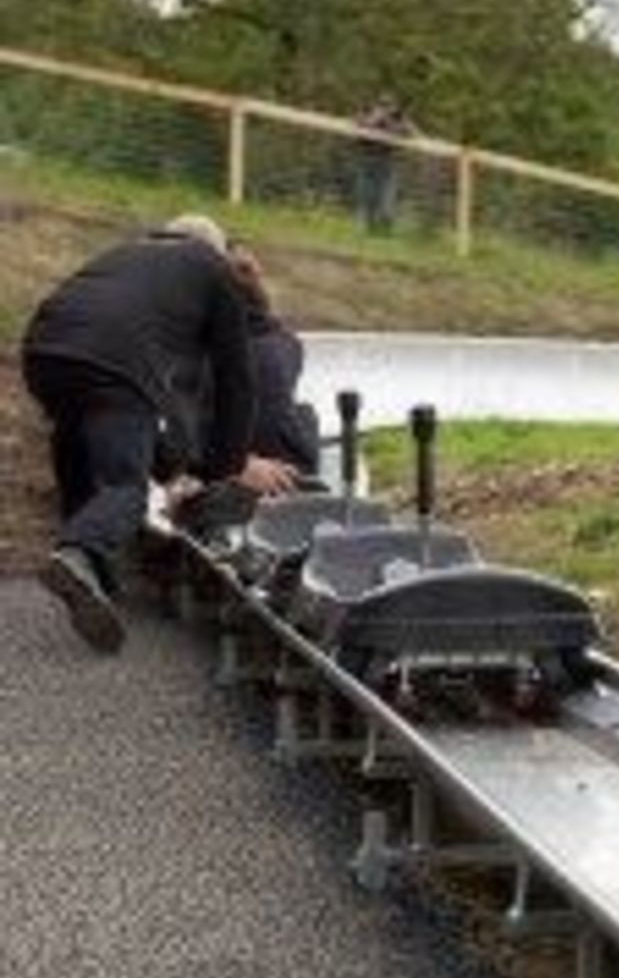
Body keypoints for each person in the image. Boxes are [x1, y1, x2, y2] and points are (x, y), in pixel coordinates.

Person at [22, 213, 292, 653]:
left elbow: (172, 393)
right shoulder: (214, 270)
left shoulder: (125, 254)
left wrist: (172, 460)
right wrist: (223, 464)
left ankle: (96, 578)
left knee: (77, 443)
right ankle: (80, 552)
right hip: (114, 364)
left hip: (44, 352)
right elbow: (235, 379)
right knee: (124, 484)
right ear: (217, 251)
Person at [229, 241, 320, 475]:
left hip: (241, 455)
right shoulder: (288, 341)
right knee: (303, 410)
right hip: (295, 457)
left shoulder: (214, 342)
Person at [355, 94, 416, 233]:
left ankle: (385, 228)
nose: (386, 109)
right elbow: (359, 125)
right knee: (366, 197)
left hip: (386, 163)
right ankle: (366, 227)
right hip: (367, 160)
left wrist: (395, 123)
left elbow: (412, 133)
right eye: (383, 105)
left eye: (388, 106)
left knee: (387, 201)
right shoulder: (368, 113)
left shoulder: (397, 119)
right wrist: (376, 119)